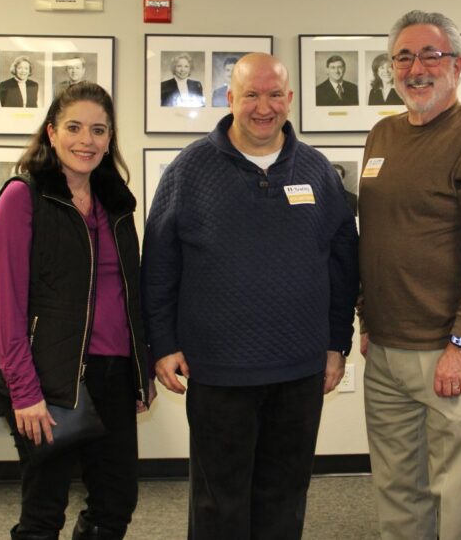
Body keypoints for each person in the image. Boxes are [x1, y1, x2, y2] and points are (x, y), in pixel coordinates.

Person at [141, 53, 359, 539]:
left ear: (290, 99)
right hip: (218, 371)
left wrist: (336, 344)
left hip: (299, 371)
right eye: (252, 95)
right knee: (219, 505)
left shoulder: (318, 171)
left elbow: (344, 265)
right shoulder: (189, 170)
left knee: (285, 499)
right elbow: (158, 266)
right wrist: (163, 344)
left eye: (275, 94)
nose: (264, 107)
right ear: (229, 98)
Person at [359, 10, 461, 540]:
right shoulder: (382, 135)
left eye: (431, 55)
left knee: (458, 502)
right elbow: (375, 235)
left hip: (451, 350)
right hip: (386, 349)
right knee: (398, 493)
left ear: (457, 65)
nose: (416, 68)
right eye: (404, 57)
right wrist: (366, 317)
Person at [0, 82, 154, 539]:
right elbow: (7, 307)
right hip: (49, 377)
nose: (86, 140)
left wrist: (141, 372)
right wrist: (25, 393)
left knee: (115, 504)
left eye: (99, 130)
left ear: (110, 138)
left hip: (113, 375)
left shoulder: (116, 203)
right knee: (44, 512)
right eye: (74, 127)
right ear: (52, 132)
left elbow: (130, 294)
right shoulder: (23, 197)